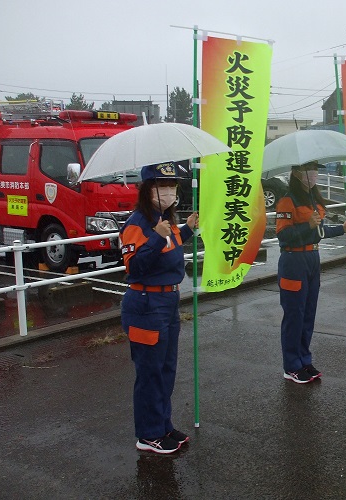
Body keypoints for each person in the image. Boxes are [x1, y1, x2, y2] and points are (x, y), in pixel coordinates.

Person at [119, 161, 198, 454]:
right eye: (161, 185)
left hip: (168, 301)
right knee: (150, 372)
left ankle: (163, 425)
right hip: (145, 303)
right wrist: (155, 236)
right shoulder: (138, 223)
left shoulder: (166, 220)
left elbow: (171, 248)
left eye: (171, 185)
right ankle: (148, 434)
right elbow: (134, 266)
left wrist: (186, 230)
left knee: (166, 369)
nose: (168, 191)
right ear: (147, 189)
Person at [276, 161, 346, 384]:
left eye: (316, 170)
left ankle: (304, 359)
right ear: (297, 173)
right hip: (293, 260)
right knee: (294, 315)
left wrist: (342, 228)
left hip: (312, 258)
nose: (313, 174)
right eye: (308, 170)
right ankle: (291, 365)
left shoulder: (314, 200)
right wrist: (307, 226)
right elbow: (283, 235)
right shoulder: (287, 200)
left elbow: (319, 231)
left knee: (308, 314)